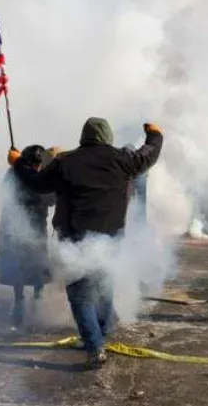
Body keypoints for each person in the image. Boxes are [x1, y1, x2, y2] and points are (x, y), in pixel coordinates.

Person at [9, 118, 163, 368]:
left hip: (74, 237)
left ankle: (94, 346)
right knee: (103, 285)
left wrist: (18, 163)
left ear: (84, 137)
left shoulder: (65, 162)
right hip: (111, 235)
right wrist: (154, 135)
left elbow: (36, 183)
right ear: (108, 137)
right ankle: (100, 336)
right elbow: (149, 155)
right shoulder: (122, 160)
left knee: (81, 295)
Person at [0, 144, 56, 328]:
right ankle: (23, 304)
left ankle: (29, 302)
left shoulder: (13, 174)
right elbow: (51, 198)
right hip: (21, 228)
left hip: (25, 229)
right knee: (28, 265)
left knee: (31, 265)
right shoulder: (26, 176)